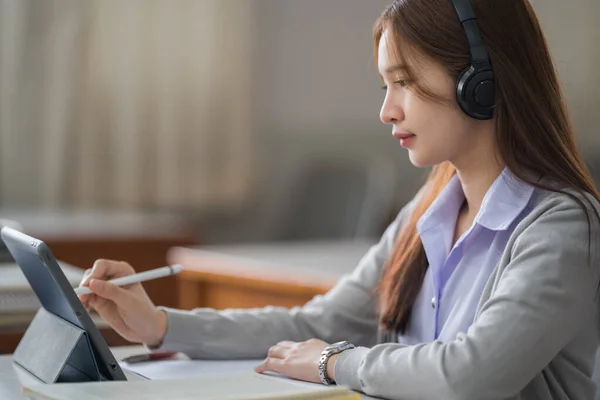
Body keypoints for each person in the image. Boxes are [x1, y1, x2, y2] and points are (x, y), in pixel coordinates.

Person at [78, 0, 600, 398]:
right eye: (384, 87)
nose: (387, 111)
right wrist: (164, 324)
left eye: (405, 83)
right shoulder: (430, 211)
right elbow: (318, 324)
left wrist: (333, 363)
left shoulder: (560, 225)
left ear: (479, 84)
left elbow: (469, 373)